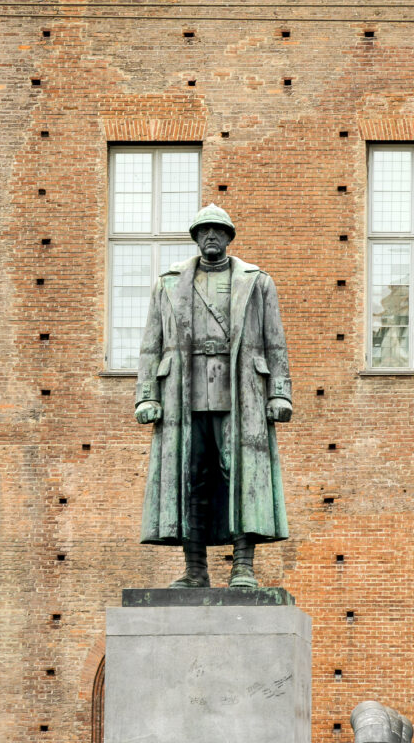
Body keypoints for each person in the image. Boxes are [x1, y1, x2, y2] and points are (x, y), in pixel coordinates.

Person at [135, 203, 292, 588]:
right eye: (203, 230)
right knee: (191, 477)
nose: (210, 236)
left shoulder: (257, 282)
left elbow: (276, 344)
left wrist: (280, 394)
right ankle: (195, 570)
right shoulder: (168, 284)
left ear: (228, 238)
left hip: (241, 391)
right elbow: (150, 346)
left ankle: (243, 566)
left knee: (242, 476)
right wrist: (145, 396)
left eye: (218, 231)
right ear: (195, 237)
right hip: (182, 394)